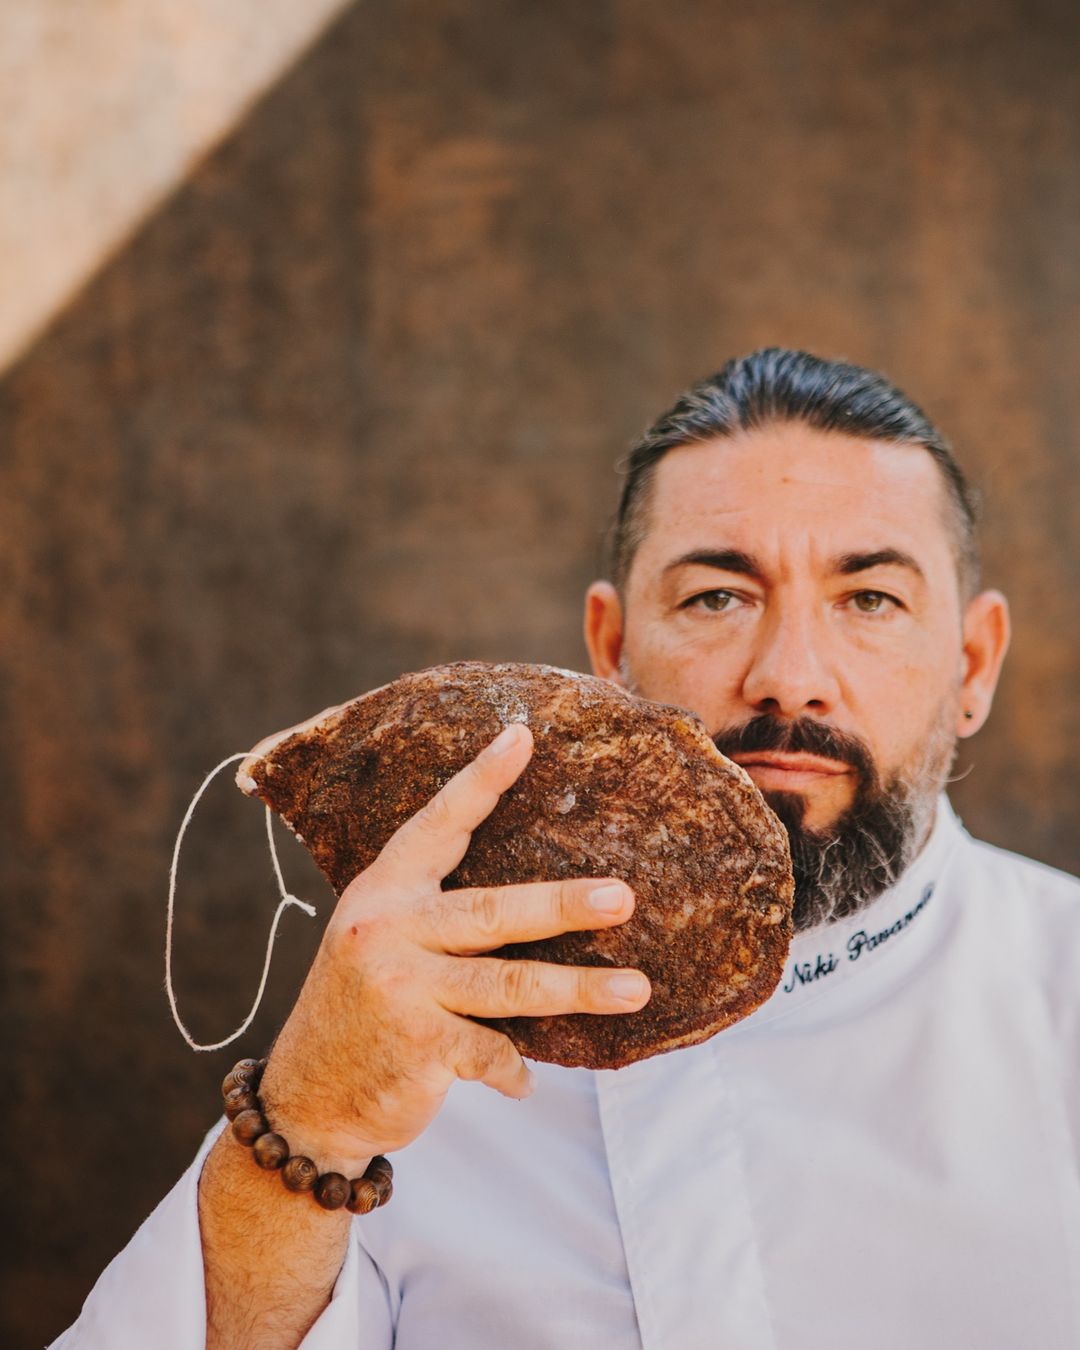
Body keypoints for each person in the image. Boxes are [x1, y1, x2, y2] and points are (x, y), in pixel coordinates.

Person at [56, 349, 1080, 1350]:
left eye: (870, 600)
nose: (788, 675)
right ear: (610, 652)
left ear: (973, 664)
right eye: (717, 597)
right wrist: (312, 1119)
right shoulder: (399, 1017)